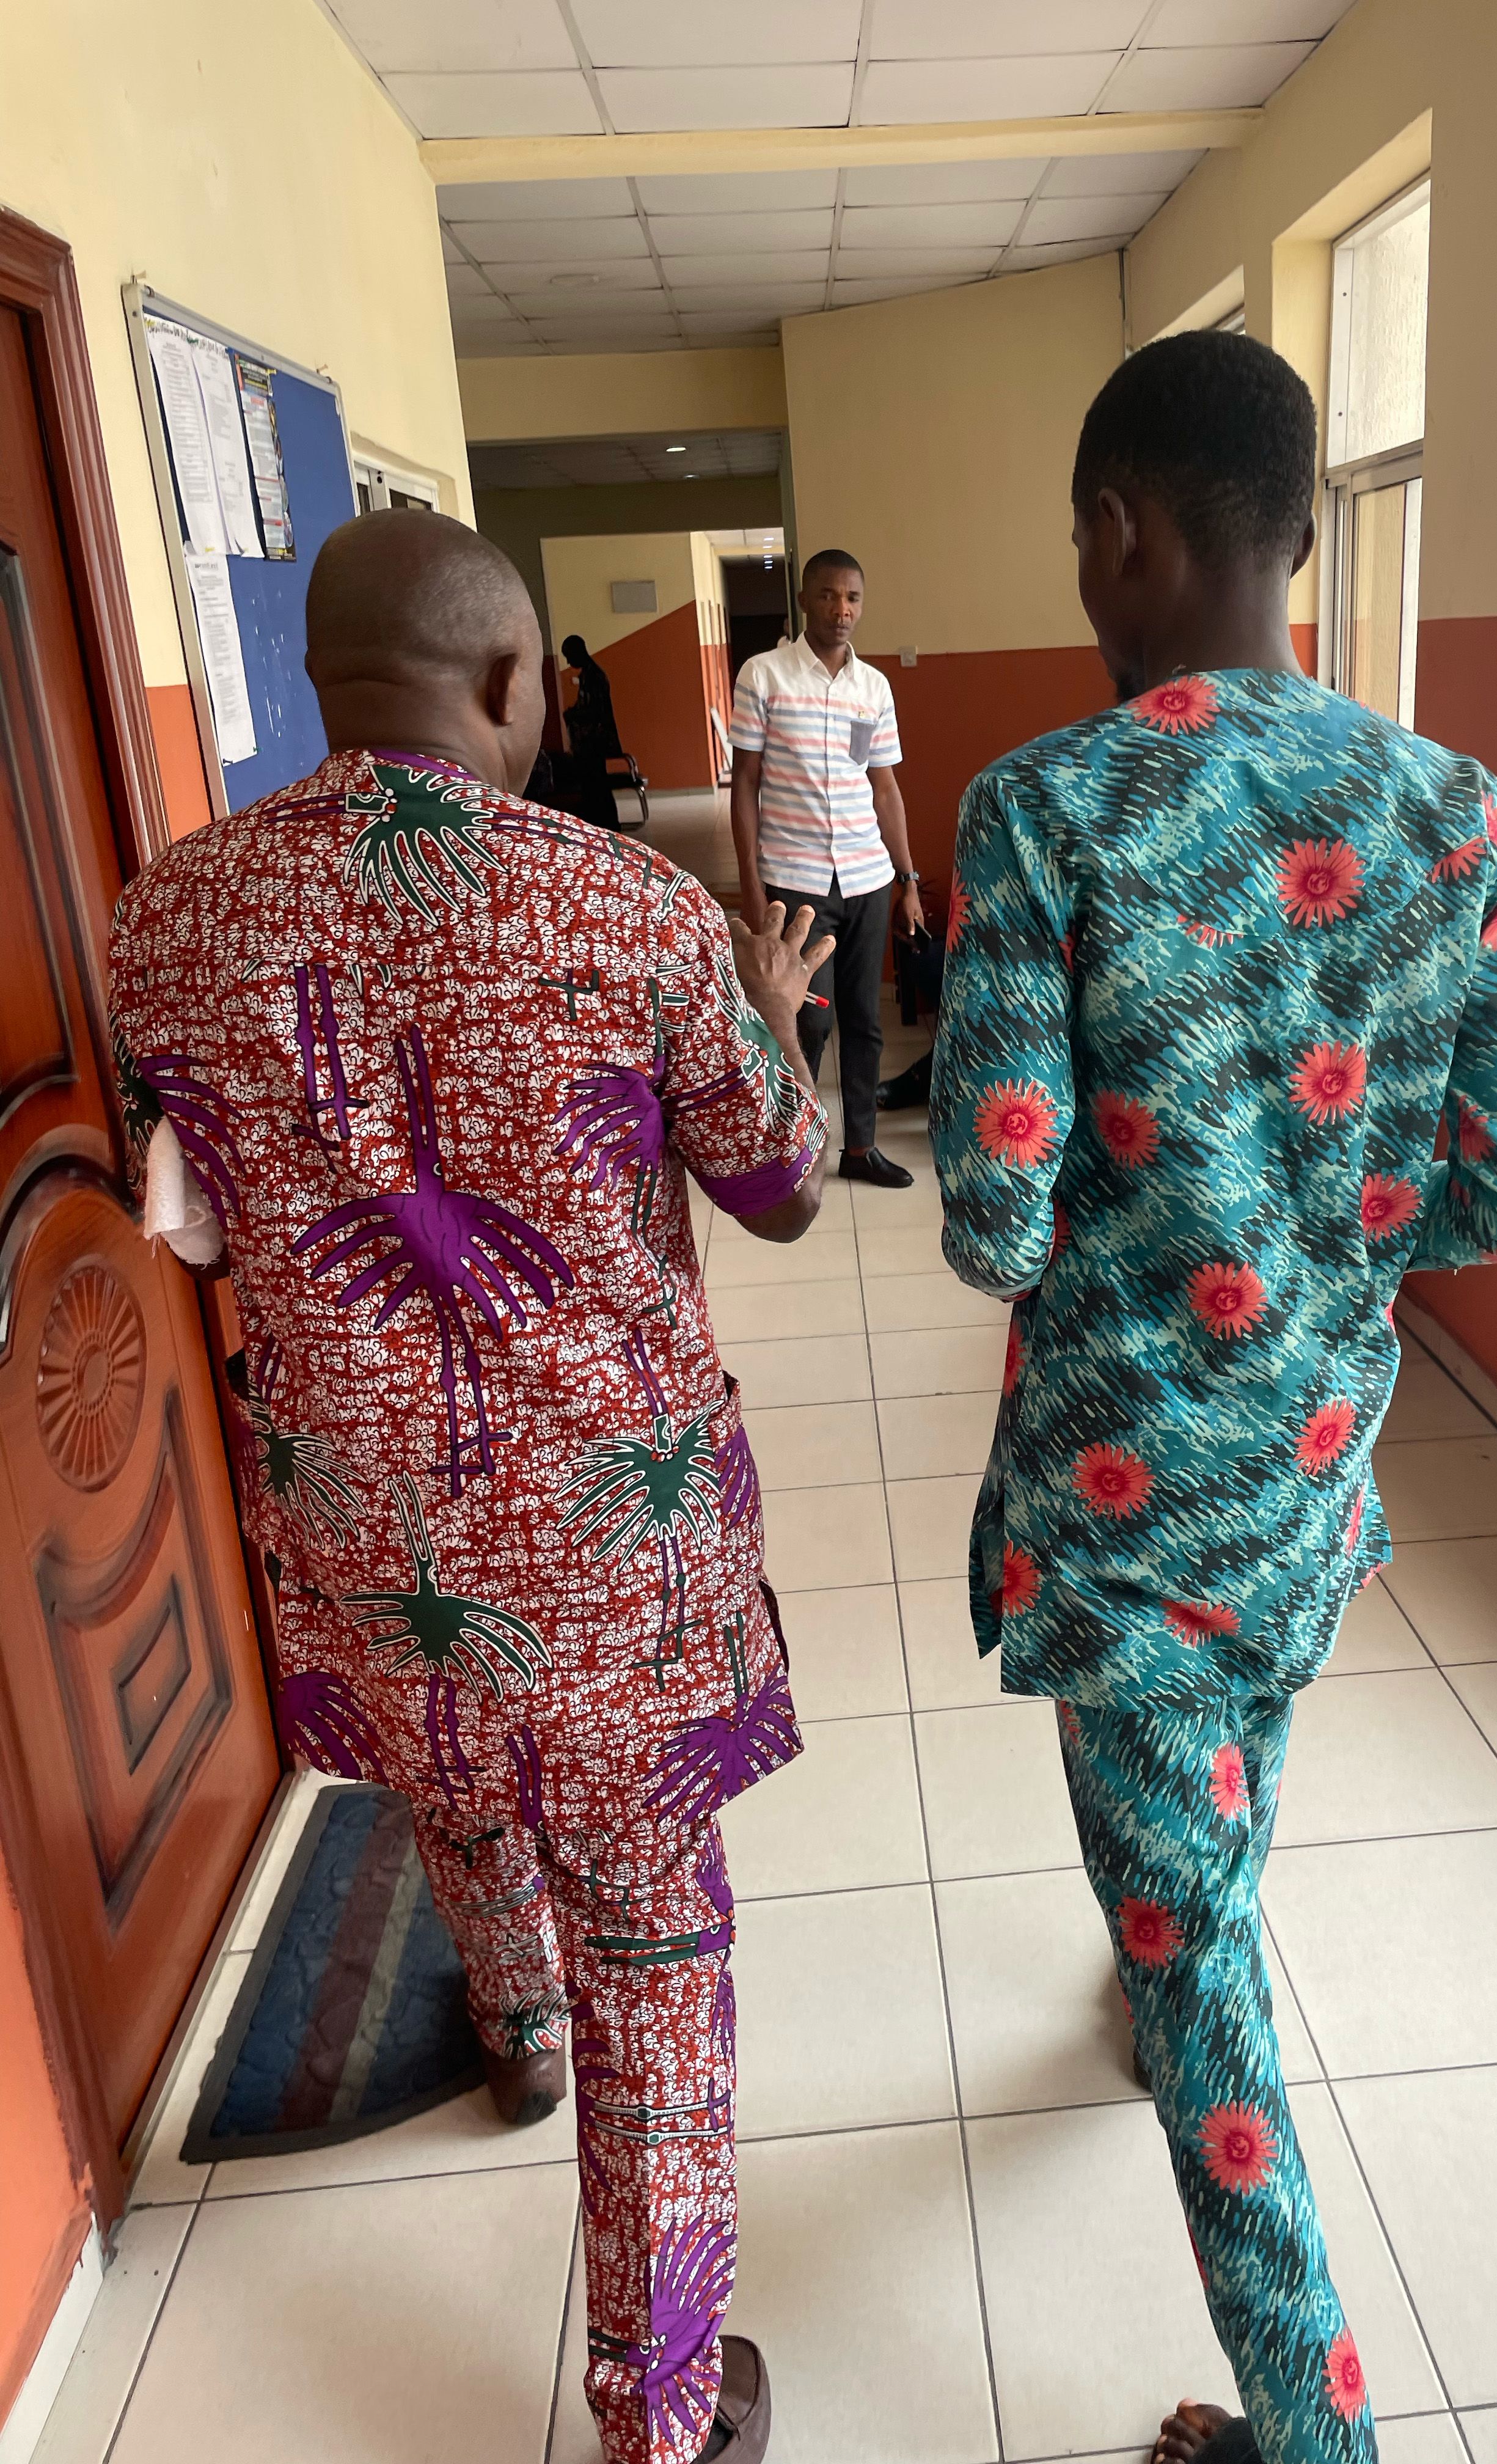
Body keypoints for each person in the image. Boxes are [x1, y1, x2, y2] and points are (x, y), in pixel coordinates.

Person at [109, 509, 836, 2464]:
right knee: (659, 1946)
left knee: (451, 1776)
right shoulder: (631, 912)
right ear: (516, 683)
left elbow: (184, 1199)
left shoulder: (164, 921)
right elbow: (778, 1189)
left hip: (372, 1538)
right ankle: (662, 2411)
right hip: (614, 1564)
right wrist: (778, 1017)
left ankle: (513, 2037)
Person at [929, 332, 1497, 2464]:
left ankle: (1316, 2438)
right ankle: (1159, 1951)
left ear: (1122, 528)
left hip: (1128, 1523)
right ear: (1295, 532)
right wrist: (1317, 1244)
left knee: (1215, 2005)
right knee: (1213, 1853)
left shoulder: (1044, 807)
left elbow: (993, 1222)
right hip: (1310, 1469)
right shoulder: (1450, 805)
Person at [729, 548, 924, 1190]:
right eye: (829, 596)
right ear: (806, 599)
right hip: (797, 879)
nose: (842, 610)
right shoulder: (765, 676)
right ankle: (796, 1145)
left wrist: (908, 879)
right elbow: (745, 788)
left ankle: (861, 1147)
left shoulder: (873, 690)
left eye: (853, 599)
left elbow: (885, 789)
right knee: (807, 1017)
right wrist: (754, 891)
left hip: (866, 878)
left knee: (866, 1018)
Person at [560, 631, 646, 832]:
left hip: (594, 743)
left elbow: (594, 711)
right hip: (591, 743)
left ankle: (607, 826)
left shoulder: (594, 676)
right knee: (595, 788)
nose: (568, 661)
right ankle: (604, 826)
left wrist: (573, 715)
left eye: (569, 655)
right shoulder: (588, 675)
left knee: (597, 788)